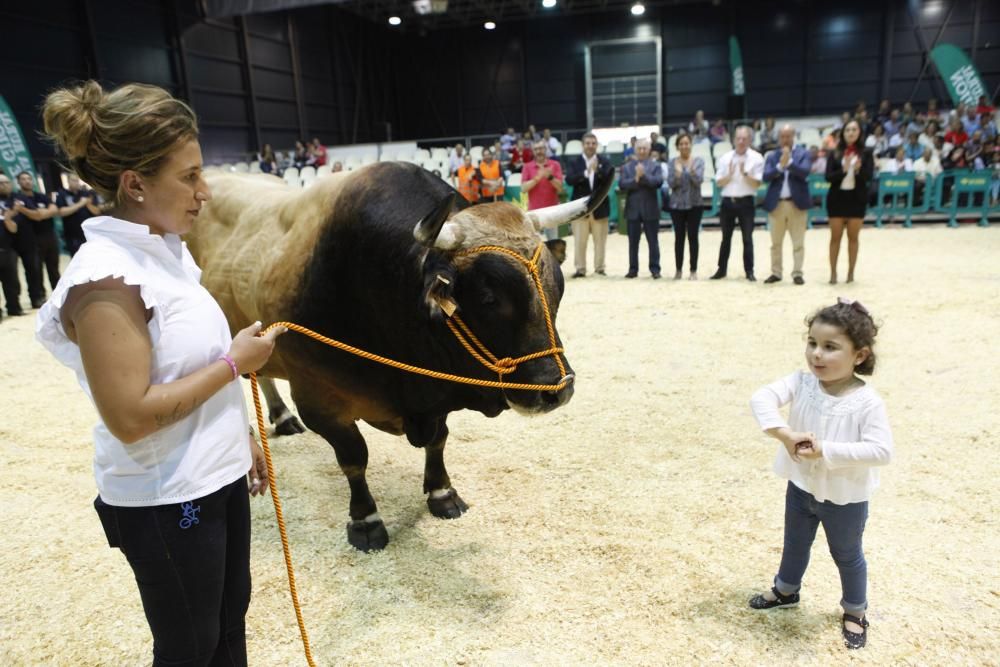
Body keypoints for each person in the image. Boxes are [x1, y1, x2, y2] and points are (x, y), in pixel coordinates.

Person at [37, 80, 286, 665]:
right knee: (189, 646)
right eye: (190, 176)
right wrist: (234, 366)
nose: (205, 193)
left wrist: (238, 434)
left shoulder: (167, 254)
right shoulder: (105, 281)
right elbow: (129, 417)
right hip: (166, 496)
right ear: (135, 184)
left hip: (212, 474)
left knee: (229, 625)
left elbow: (185, 365)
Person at [748, 298, 892, 651]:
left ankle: (855, 611)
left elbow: (881, 451)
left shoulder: (867, 402)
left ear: (859, 355)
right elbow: (761, 398)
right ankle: (786, 589)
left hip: (845, 497)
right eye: (812, 343)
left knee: (847, 554)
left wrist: (826, 448)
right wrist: (784, 434)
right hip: (801, 486)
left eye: (830, 347)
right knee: (795, 543)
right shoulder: (802, 383)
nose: (817, 354)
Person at [711, 126, 764, 281]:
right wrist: (729, 174)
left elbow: (757, 184)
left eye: (744, 139)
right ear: (734, 139)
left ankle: (749, 271)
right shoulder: (725, 158)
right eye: (738, 138)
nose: (741, 141)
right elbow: (719, 183)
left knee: (747, 238)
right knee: (725, 238)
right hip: (727, 202)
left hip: (746, 203)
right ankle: (721, 270)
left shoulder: (757, 158)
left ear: (749, 140)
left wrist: (745, 174)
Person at [762, 125, 813, 285]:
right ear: (779, 138)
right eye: (782, 136)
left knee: (798, 242)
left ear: (793, 136)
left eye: (788, 136)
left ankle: (797, 273)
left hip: (796, 204)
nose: (785, 140)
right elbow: (766, 176)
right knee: (775, 243)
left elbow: (805, 172)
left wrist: (789, 162)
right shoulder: (772, 155)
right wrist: (779, 166)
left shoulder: (803, 153)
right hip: (777, 204)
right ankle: (776, 273)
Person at [825, 120, 874, 285]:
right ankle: (833, 274)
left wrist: (859, 169)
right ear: (843, 133)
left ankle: (851, 273)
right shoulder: (834, 153)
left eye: (854, 130)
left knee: (853, 238)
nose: (851, 133)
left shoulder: (866, 153)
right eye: (848, 130)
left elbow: (869, 177)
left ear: (859, 132)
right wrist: (843, 170)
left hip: (856, 199)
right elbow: (828, 177)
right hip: (837, 199)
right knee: (835, 238)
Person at [564, 132, 613, 278]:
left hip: (600, 207)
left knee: (600, 241)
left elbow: (608, 178)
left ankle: (599, 268)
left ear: (596, 145)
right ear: (583, 145)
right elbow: (569, 180)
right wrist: (586, 173)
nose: (590, 146)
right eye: (588, 143)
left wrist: (597, 171)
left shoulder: (604, 161)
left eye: (593, 143)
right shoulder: (575, 162)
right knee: (580, 241)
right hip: (580, 208)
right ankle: (580, 269)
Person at [11, 171, 57, 307]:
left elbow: (54, 209)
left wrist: (39, 213)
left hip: (49, 236)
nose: (27, 181)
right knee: (35, 271)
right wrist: (39, 214)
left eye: (29, 179)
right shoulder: (17, 198)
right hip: (31, 239)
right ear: (18, 182)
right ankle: (38, 297)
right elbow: (37, 216)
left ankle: (58, 294)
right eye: (23, 179)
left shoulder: (41, 196)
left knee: (53, 268)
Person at [620, 138, 663, 278]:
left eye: (645, 148)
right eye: (640, 148)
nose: (642, 151)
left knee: (653, 241)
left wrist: (643, 176)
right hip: (633, 210)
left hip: (650, 209)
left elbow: (658, 182)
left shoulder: (656, 166)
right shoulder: (626, 167)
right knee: (633, 243)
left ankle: (655, 269)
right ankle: (633, 269)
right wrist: (636, 179)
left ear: (649, 150)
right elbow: (622, 184)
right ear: (635, 149)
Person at [665, 134, 704, 280]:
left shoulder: (698, 161)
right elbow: (671, 184)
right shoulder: (672, 162)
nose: (684, 146)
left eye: (687, 143)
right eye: (681, 144)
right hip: (677, 205)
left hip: (695, 204)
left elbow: (699, 181)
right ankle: (678, 270)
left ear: (691, 145)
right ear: (677, 146)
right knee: (679, 238)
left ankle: (693, 270)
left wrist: (691, 172)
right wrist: (678, 175)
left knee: (693, 237)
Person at [522, 139, 564, 241]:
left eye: (541, 148)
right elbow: (523, 188)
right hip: (534, 213)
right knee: (535, 246)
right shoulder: (527, 167)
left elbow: (560, 188)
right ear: (533, 151)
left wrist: (550, 177)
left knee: (553, 243)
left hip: (552, 212)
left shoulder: (555, 164)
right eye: (536, 149)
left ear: (546, 149)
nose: (538, 151)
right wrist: (537, 178)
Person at [56, 173, 102, 257]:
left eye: (77, 180)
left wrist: (88, 204)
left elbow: (97, 211)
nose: (76, 182)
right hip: (73, 235)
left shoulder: (85, 193)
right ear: (68, 181)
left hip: (89, 234)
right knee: (78, 260)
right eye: (73, 180)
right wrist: (80, 204)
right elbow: (62, 212)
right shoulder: (62, 194)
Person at [0, 174, 23, 318]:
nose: (4, 185)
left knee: (12, 282)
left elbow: (14, 228)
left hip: (8, 249)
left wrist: (8, 217)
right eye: (1, 183)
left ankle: (14, 308)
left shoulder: (12, 201)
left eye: (6, 182)